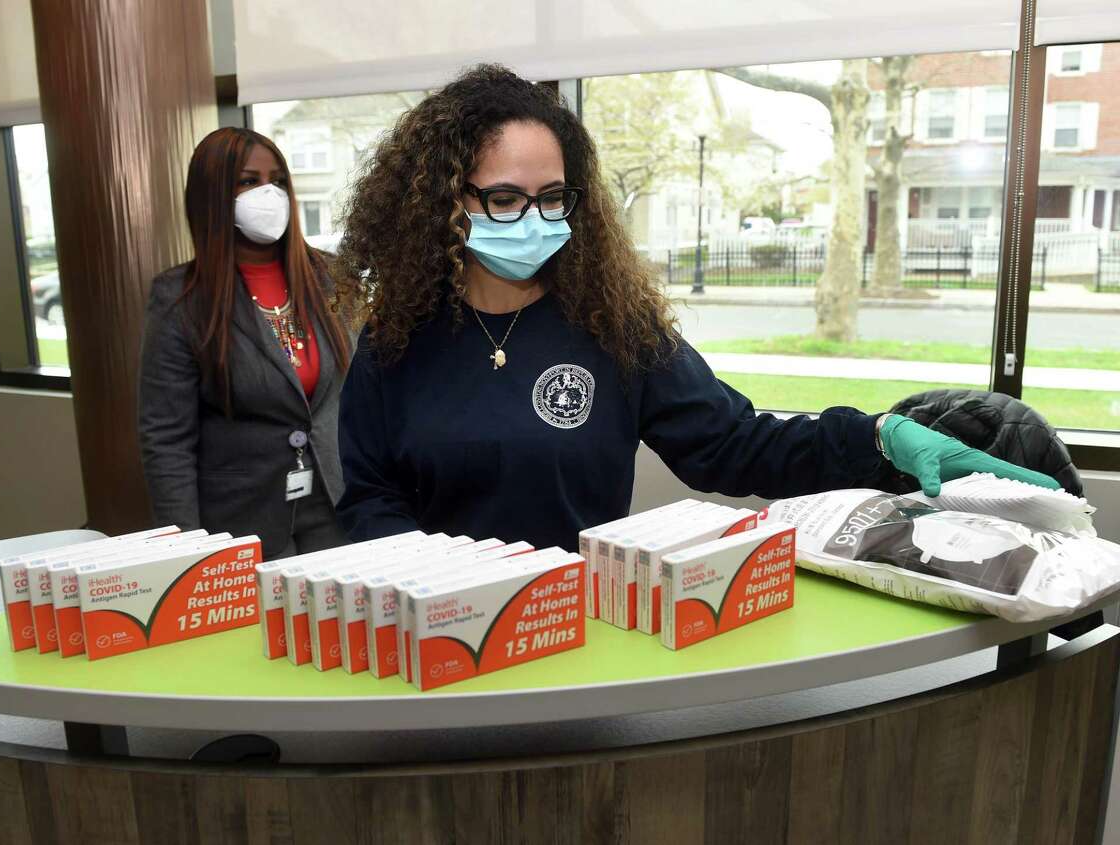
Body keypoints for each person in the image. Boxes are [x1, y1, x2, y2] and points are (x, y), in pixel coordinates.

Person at [332, 65, 1057, 551]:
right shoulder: (394, 342)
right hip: (434, 642)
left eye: (553, 197)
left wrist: (876, 438)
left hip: (574, 634)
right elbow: (369, 499)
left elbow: (737, 443)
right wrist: (429, 583)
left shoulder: (613, 327)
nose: (534, 218)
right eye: (505, 199)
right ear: (443, 204)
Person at [139, 127, 355, 558]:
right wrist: (186, 550)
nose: (268, 194)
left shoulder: (330, 277)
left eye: (277, 181)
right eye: (248, 182)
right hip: (239, 524)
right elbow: (166, 439)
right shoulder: (181, 297)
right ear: (212, 196)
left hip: (337, 509)